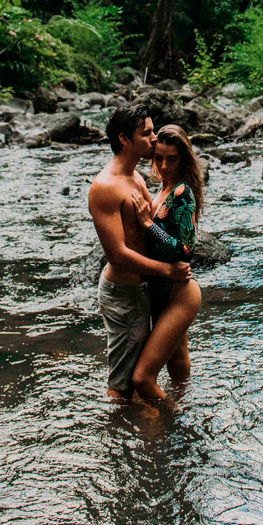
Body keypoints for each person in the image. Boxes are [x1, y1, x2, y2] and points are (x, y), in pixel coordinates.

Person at [87, 103, 191, 402]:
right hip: (124, 294)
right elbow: (117, 254)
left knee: (145, 369)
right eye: (146, 134)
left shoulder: (136, 179)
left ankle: (152, 427)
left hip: (144, 289)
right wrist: (167, 271)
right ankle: (119, 439)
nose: (154, 139)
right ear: (124, 139)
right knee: (121, 386)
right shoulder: (105, 187)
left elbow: (157, 224)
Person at [129, 124, 204, 398]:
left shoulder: (183, 193)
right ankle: (185, 408)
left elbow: (185, 250)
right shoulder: (162, 188)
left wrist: (149, 224)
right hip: (160, 290)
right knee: (177, 361)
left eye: (171, 159)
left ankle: (170, 419)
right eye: (158, 158)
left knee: (142, 378)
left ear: (183, 159)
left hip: (179, 292)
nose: (163, 165)